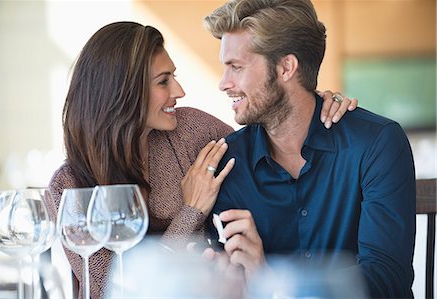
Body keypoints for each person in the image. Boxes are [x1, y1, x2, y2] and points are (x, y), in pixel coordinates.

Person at [47, 21, 356, 298]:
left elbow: (270, 140)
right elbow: (112, 290)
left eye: (174, 77)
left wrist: (313, 105)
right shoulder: (68, 187)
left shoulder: (193, 132)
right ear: (122, 92)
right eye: (163, 81)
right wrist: (191, 211)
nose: (179, 91)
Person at [204, 1, 416, 298]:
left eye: (236, 67)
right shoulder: (229, 163)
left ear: (286, 67)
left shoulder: (375, 144)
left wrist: (271, 279)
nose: (223, 83)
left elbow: (387, 280)